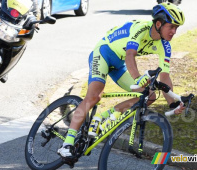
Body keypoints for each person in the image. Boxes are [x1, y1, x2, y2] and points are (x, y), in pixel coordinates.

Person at [58, 2, 186, 157]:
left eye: (176, 28)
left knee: (149, 96)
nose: (174, 31)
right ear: (158, 23)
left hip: (118, 64)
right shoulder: (141, 29)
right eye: (171, 27)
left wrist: (173, 103)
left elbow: (164, 76)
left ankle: (103, 117)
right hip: (104, 53)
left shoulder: (165, 45)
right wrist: (137, 78)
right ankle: (67, 144)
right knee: (94, 97)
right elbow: (130, 55)